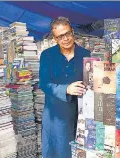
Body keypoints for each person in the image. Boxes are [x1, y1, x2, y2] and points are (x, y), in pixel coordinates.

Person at [39, 16, 91, 158]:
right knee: (57, 153)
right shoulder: (47, 55)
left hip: (79, 115)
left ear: (73, 31)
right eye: (60, 36)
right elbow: (44, 83)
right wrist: (66, 89)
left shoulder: (86, 55)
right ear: (55, 39)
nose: (65, 39)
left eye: (67, 33)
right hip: (55, 116)